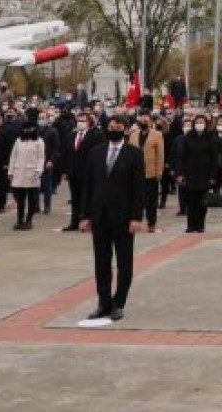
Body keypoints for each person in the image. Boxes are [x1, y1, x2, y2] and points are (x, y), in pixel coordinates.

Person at [79, 117, 145, 321]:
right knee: (101, 262)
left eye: (118, 127)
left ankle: (118, 303)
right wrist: (85, 215)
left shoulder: (134, 153)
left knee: (124, 263)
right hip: (99, 215)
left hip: (124, 217)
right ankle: (103, 303)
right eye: (111, 127)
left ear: (125, 130)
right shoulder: (96, 152)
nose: (114, 130)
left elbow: (138, 188)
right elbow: (88, 185)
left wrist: (136, 217)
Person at [176, 115, 218, 233]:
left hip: (205, 174)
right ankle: (191, 225)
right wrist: (180, 173)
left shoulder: (211, 138)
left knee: (202, 202)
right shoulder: (187, 137)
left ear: (205, 124)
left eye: (202, 122)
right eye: (197, 122)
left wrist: (213, 176)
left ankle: (200, 225)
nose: (200, 124)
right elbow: (181, 156)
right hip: (190, 173)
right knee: (190, 201)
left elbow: (214, 158)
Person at [126, 113, 164, 233]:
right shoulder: (133, 134)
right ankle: (134, 220)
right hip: (135, 171)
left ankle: (151, 223)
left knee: (151, 200)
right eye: (141, 120)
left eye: (146, 120)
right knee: (135, 198)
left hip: (150, 171)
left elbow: (160, 155)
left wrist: (159, 171)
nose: (143, 122)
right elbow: (128, 152)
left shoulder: (157, 135)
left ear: (150, 122)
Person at [8, 122, 46, 230]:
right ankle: (19, 221)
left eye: (29, 128)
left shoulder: (39, 141)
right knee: (20, 200)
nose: (27, 130)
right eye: (25, 128)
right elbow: (13, 156)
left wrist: (39, 170)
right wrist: (10, 172)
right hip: (19, 173)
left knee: (32, 199)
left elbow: (41, 158)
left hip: (32, 174)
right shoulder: (18, 140)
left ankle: (29, 221)